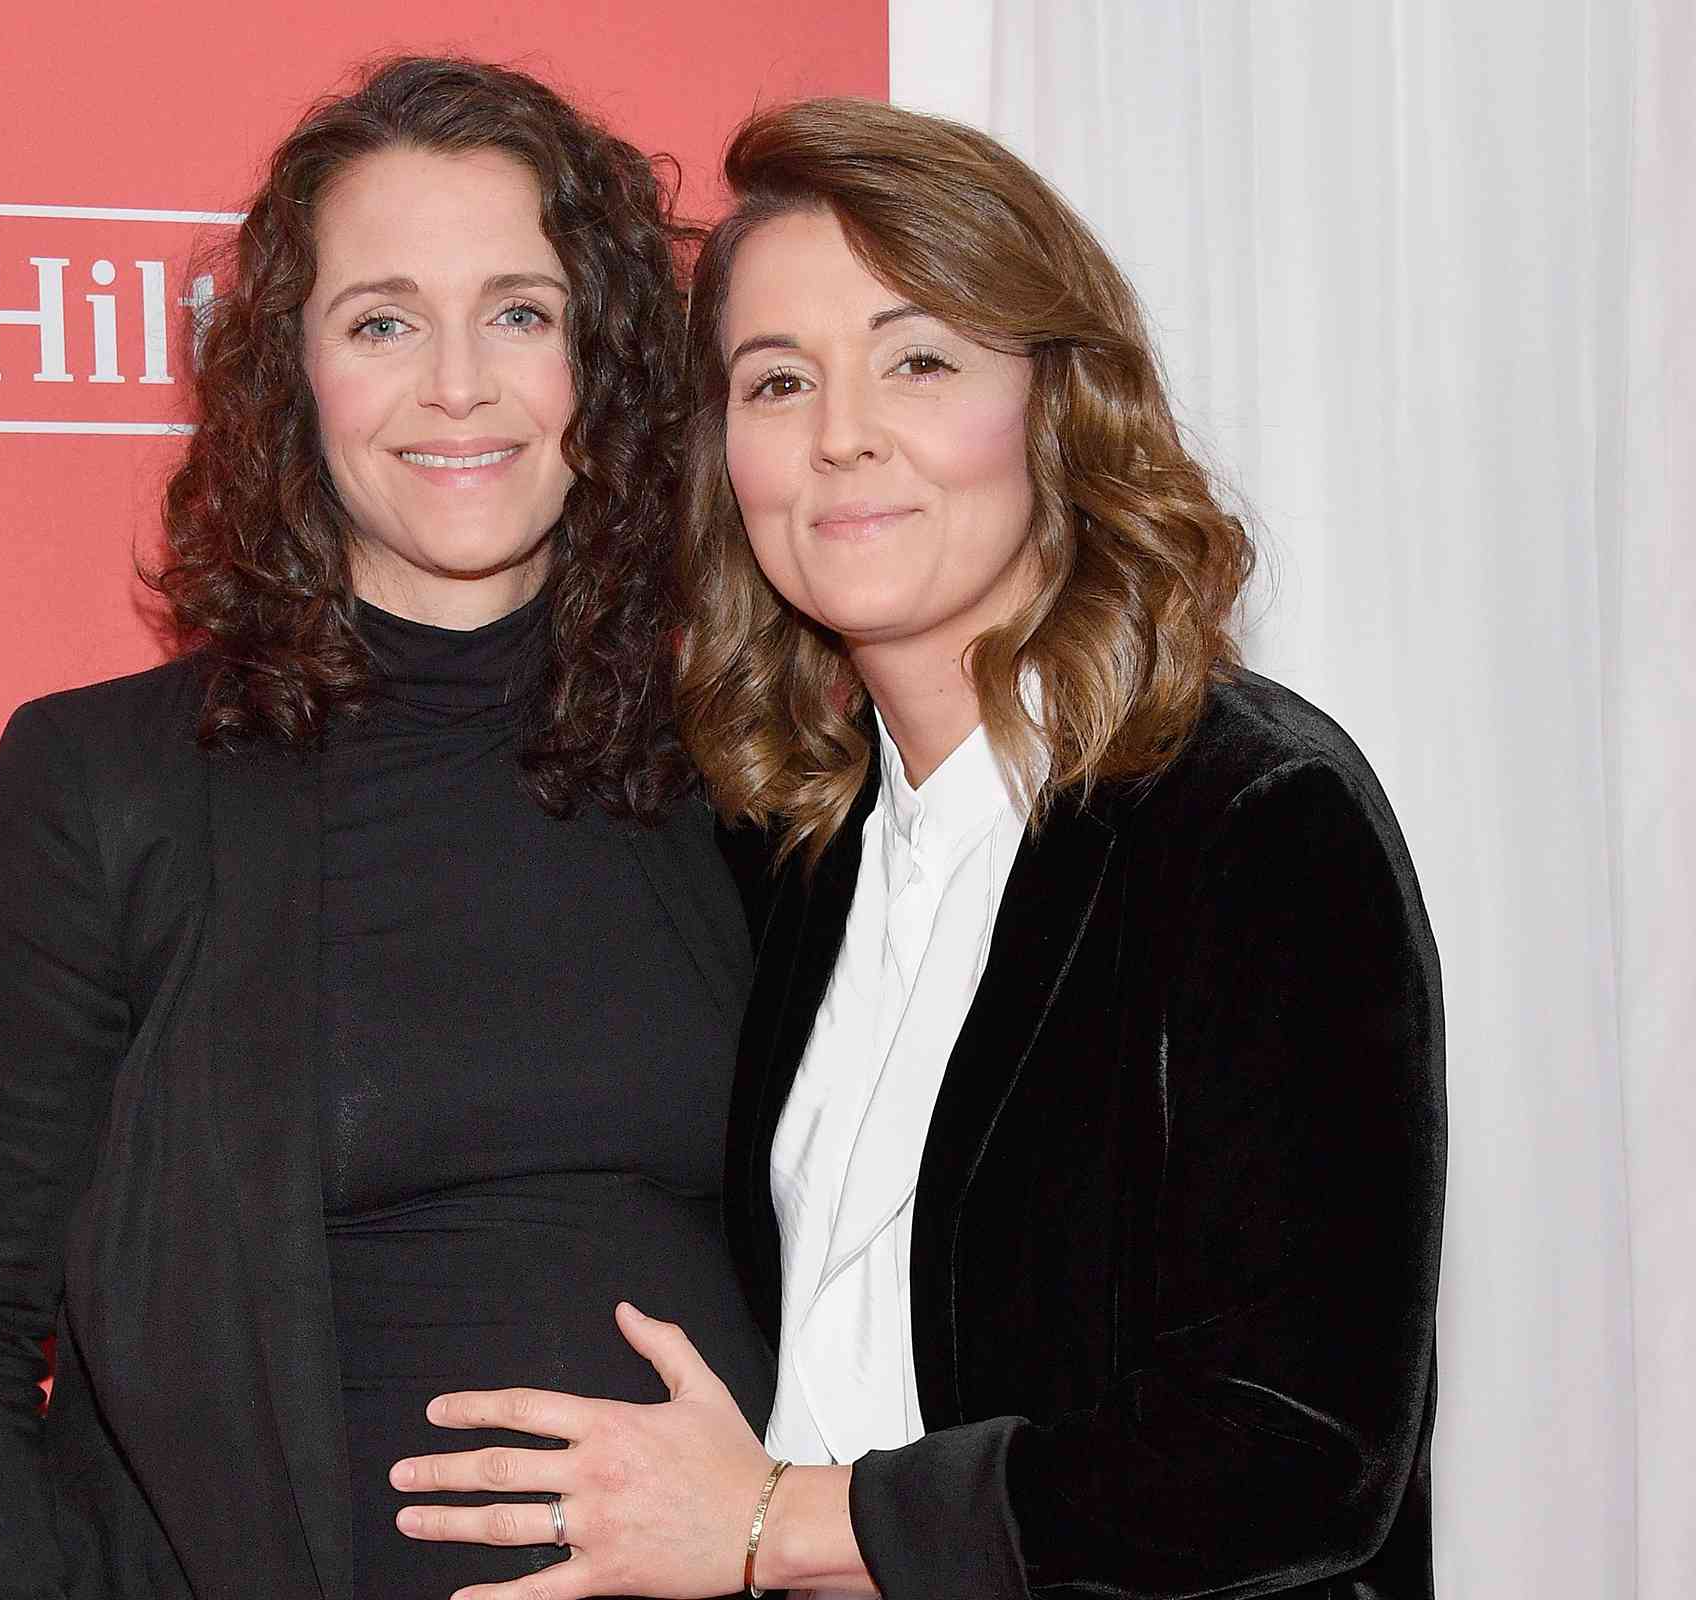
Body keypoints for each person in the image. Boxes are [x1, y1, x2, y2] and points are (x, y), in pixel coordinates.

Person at [388, 97, 1448, 1600]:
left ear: (1058, 405)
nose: (840, 436)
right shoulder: (793, 851)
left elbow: (1297, 1458)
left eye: (919, 358)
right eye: (775, 381)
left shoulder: (1250, 822)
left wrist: (775, 1526)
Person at [0, 57, 774, 1600]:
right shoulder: (113, 787)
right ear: (293, 376)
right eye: (381, 321)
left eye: (518, 311)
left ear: (603, 360)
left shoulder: (751, 771)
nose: (457, 385)